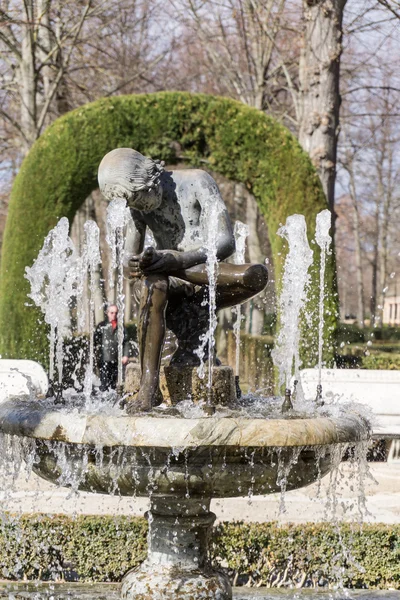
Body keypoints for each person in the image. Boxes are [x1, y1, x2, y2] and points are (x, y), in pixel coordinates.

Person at [98, 148, 268, 411]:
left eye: (140, 199)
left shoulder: (198, 181)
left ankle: (171, 267)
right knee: (153, 285)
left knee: (254, 276)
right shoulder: (137, 204)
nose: (139, 207)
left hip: (202, 274)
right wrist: (130, 263)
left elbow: (225, 242)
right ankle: (148, 389)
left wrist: (178, 261)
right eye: (133, 204)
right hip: (165, 282)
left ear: (151, 178)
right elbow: (129, 257)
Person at [94, 304, 129, 391]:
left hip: (116, 359)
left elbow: (126, 341)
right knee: (104, 384)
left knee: (114, 385)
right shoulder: (101, 326)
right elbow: (95, 341)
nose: (114, 315)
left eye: (116, 313)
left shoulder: (121, 326)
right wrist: (95, 354)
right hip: (104, 359)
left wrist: (125, 355)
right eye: (112, 312)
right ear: (107, 313)